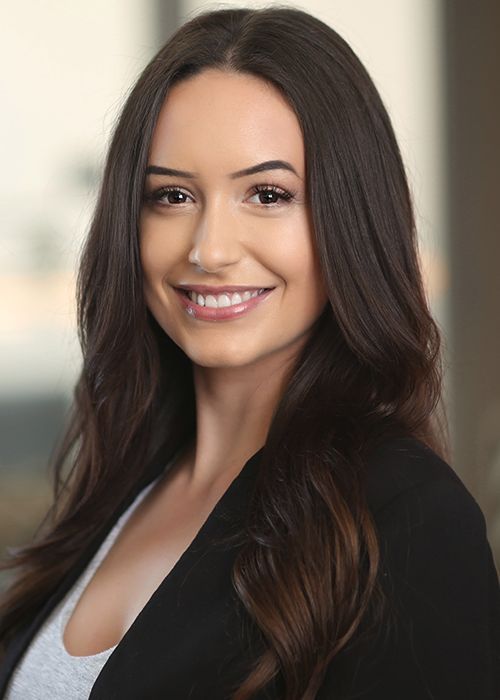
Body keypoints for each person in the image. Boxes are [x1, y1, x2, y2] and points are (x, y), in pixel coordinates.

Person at [0, 5, 499, 699]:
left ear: (348, 218)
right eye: (171, 196)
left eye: (267, 194)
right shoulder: (122, 486)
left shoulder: (406, 519)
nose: (208, 249)